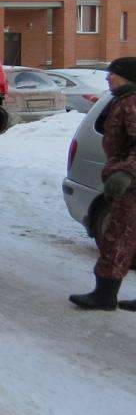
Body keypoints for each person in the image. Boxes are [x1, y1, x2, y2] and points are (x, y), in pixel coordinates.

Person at [70, 57, 136, 311]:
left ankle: (104, 295)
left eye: (113, 74)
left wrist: (126, 174)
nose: (108, 78)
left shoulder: (131, 102)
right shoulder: (123, 100)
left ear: (127, 76)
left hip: (130, 185)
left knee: (117, 237)